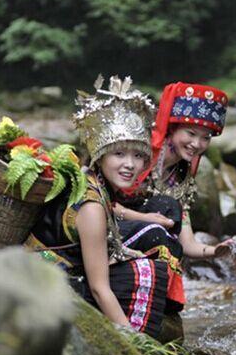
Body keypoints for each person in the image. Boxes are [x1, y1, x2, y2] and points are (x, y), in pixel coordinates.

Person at [25, 76, 168, 338]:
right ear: (100, 156)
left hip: (47, 271)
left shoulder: (91, 181)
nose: (130, 165)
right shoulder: (92, 206)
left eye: (138, 156)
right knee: (147, 272)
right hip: (49, 287)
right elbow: (100, 289)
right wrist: (135, 346)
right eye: (119, 154)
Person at [115, 83, 235, 309]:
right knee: (163, 213)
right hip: (103, 230)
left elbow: (187, 243)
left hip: (142, 237)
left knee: (167, 213)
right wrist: (147, 219)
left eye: (206, 138)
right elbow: (95, 199)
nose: (197, 144)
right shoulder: (137, 153)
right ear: (172, 128)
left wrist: (216, 251)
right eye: (190, 133)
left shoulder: (182, 178)